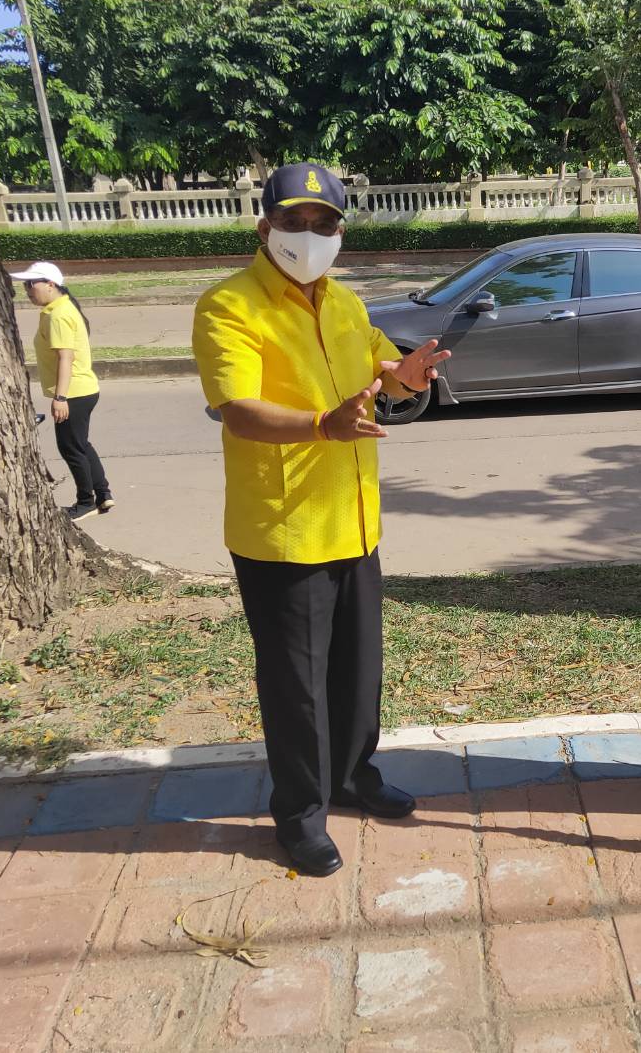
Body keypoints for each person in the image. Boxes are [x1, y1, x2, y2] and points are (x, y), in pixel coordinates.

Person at [192, 163, 449, 877]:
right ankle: (300, 812)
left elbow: (377, 365)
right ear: (263, 225)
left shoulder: (343, 303)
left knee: (355, 672)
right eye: (294, 221)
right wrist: (320, 426)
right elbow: (237, 410)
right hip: (282, 532)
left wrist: (407, 374)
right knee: (296, 685)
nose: (309, 236)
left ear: (341, 231)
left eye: (324, 223)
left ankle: (353, 776)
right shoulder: (229, 306)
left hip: (354, 520)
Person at [12, 261, 113, 521]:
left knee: (70, 447)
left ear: (50, 284)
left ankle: (85, 502)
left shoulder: (58, 315)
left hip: (74, 393)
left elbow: (65, 358)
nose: (27, 289)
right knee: (81, 444)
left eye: (31, 284)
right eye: (25, 285)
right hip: (82, 389)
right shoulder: (57, 309)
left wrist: (60, 397)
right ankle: (103, 493)